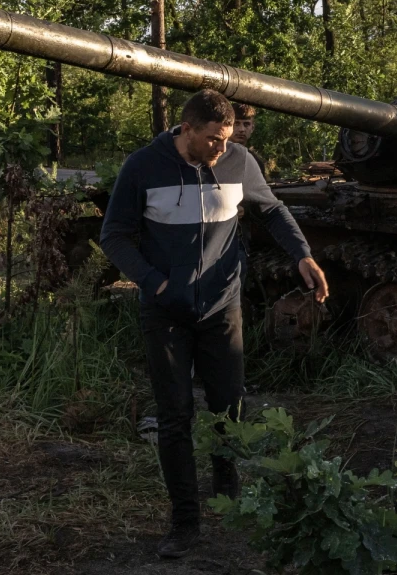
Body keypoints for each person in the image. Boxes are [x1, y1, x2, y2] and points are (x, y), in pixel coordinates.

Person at [99, 89, 329, 559]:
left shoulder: (239, 161)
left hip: (222, 306)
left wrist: (302, 255)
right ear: (186, 130)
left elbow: (272, 210)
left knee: (229, 406)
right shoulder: (143, 166)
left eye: (227, 139)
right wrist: (154, 283)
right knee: (175, 414)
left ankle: (227, 481)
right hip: (165, 310)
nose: (222, 149)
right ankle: (185, 521)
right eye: (212, 140)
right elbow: (115, 235)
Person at [230, 103, 268, 177]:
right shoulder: (213, 156)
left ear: (252, 128)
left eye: (246, 124)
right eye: (236, 123)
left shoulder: (256, 162)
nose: (242, 129)